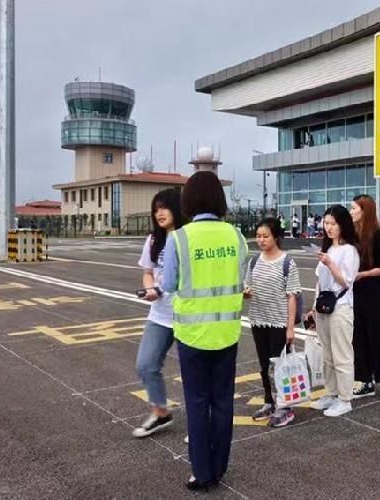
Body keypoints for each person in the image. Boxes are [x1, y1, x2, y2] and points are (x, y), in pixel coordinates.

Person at [162, 171, 248, 491]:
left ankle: (202, 472)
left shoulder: (179, 239)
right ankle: (220, 466)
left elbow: (169, 284)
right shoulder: (236, 237)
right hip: (227, 332)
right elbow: (240, 279)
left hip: (192, 335)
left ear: (188, 201)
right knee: (223, 401)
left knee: (197, 402)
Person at [131, 189, 187, 438]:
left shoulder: (187, 237)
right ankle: (160, 412)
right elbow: (148, 271)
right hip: (160, 314)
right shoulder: (154, 240)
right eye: (156, 209)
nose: (159, 213)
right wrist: (149, 288)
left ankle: (200, 423)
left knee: (192, 373)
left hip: (187, 315)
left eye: (164, 207)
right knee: (146, 364)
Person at [244, 218, 302, 427]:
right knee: (263, 366)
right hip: (259, 321)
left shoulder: (287, 262)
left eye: (265, 236)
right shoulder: (253, 262)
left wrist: (290, 328)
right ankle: (270, 401)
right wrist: (246, 293)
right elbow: (247, 288)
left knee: (280, 367)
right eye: (258, 236)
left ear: (275, 237)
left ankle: (285, 407)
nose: (261, 240)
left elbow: (291, 296)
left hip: (279, 323)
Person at [306, 205, 360, 417]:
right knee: (327, 354)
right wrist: (313, 308)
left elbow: (346, 281)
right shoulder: (328, 250)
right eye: (326, 223)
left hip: (341, 307)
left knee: (342, 354)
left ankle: (345, 399)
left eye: (333, 224)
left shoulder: (350, 250)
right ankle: (331, 392)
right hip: (323, 307)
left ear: (343, 225)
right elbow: (320, 282)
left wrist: (330, 264)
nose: (328, 228)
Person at [350, 195, 380, 401]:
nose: (351, 212)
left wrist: (363, 274)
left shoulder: (377, 235)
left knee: (376, 334)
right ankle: (364, 380)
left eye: (354, 208)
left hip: (373, 290)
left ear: (365, 211)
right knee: (358, 336)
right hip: (356, 291)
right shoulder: (353, 234)